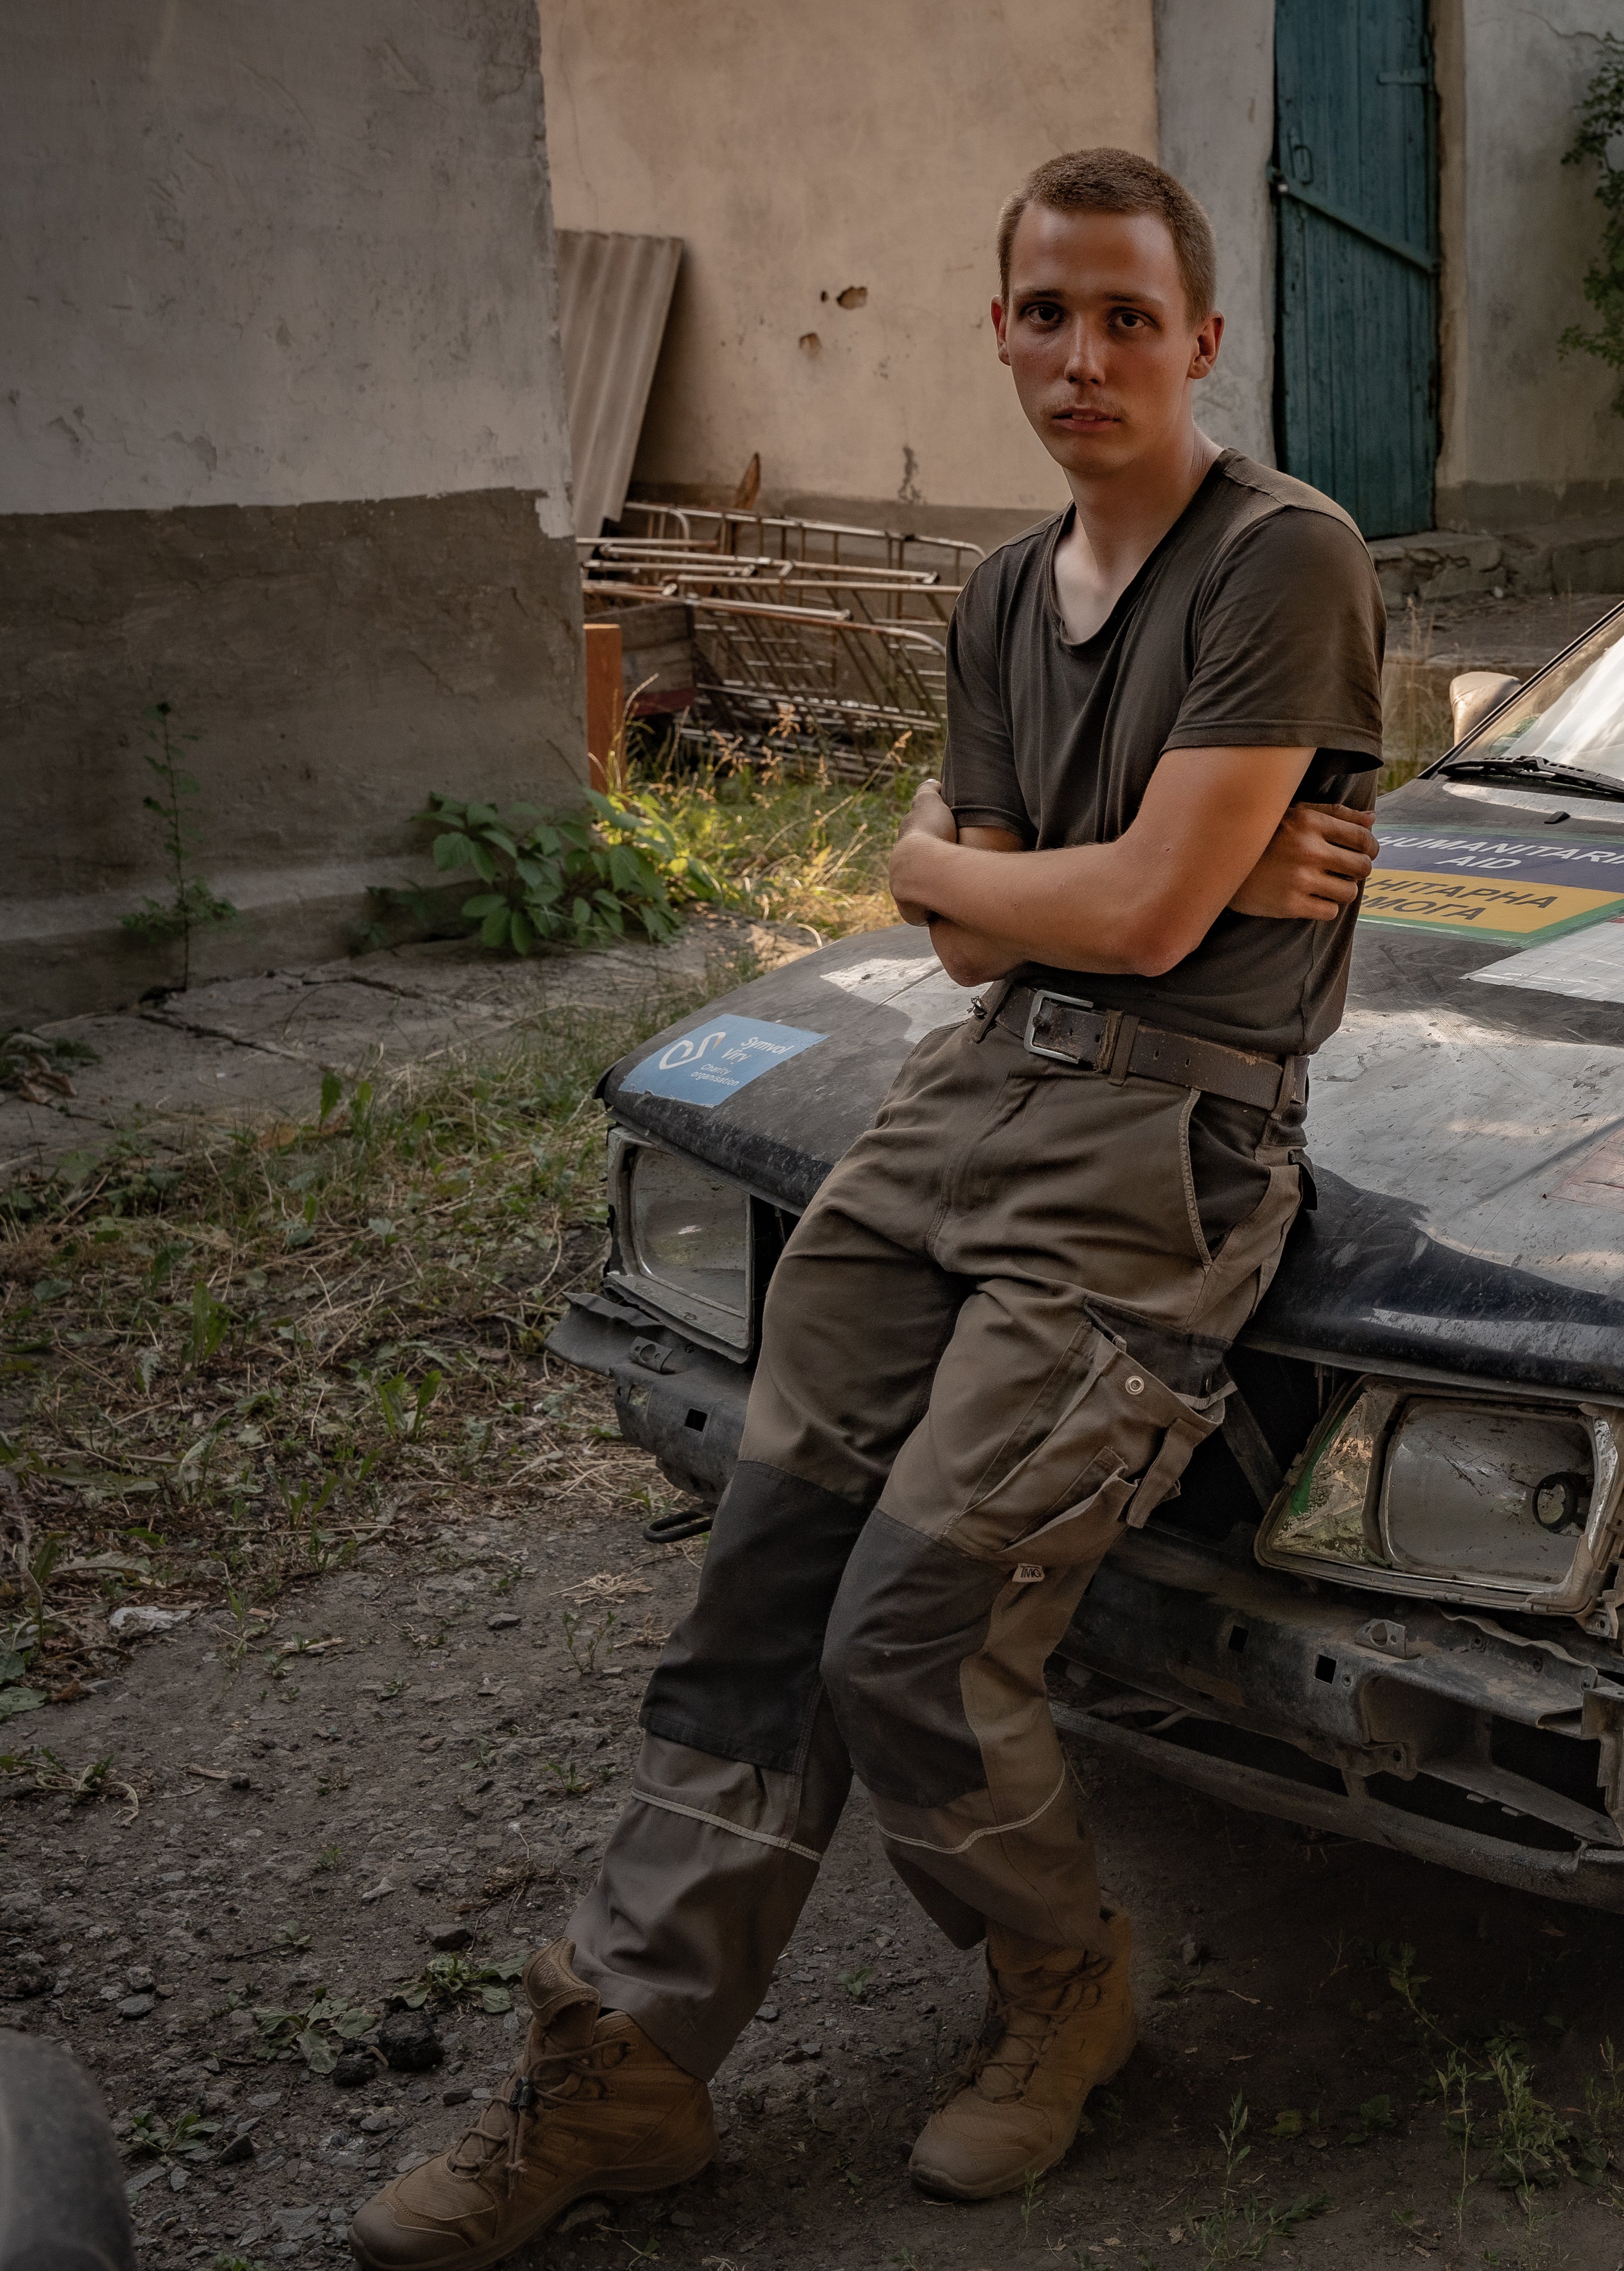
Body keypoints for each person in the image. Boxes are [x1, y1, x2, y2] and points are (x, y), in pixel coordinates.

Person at [350, 148, 1385, 2268]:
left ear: (1202, 338)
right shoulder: (1005, 596)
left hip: (1164, 1152)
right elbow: (1003, 946)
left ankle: (1064, 1986)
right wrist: (1014, 888)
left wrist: (976, 867)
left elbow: (1124, 901)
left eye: (1122, 315)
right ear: (996, 328)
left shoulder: (1285, 558)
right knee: (764, 1589)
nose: (1079, 354)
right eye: (1040, 312)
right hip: (958, 1114)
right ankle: (619, 2074)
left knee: (915, 1629)